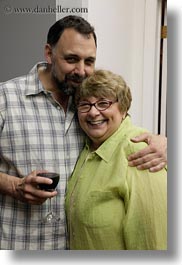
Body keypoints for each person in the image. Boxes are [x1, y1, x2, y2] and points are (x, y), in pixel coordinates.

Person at [0, 15, 167, 250]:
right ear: (49, 53)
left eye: (89, 61)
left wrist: (166, 142)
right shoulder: (5, 99)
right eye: (71, 59)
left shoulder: (87, 103)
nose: (81, 71)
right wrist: (14, 186)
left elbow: (119, 126)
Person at [65, 69, 167, 250]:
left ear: (123, 108)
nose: (93, 113)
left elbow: (152, 241)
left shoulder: (140, 151)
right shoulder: (87, 148)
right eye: (85, 105)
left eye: (103, 103)